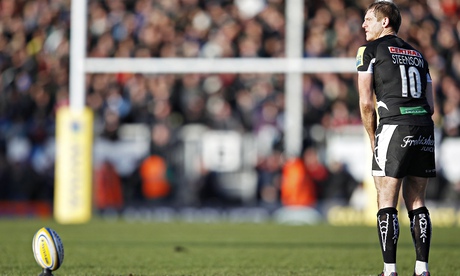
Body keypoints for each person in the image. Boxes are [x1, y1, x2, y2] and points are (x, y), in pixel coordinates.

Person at [356, 2, 435, 276]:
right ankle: (422, 269)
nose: (364, 25)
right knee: (417, 201)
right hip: (424, 125)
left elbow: (366, 102)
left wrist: (372, 137)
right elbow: (431, 104)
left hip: (394, 125)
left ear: (385, 21)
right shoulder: (418, 54)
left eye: (368, 19)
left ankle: (389, 271)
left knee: (386, 198)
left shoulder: (368, 51)